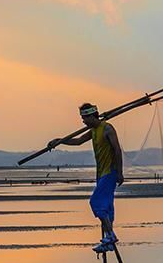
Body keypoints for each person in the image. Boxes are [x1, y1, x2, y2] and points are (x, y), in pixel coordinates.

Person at [50, 103, 123, 252]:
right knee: (107, 207)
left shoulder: (107, 128)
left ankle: (110, 235)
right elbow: (78, 141)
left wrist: (120, 172)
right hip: (101, 173)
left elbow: (117, 150)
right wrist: (59, 140)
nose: (83, 121)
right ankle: (108, 241)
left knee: (96, 202)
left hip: (110, 172)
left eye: (84, 118)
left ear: (91, 116)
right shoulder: (94, 130)